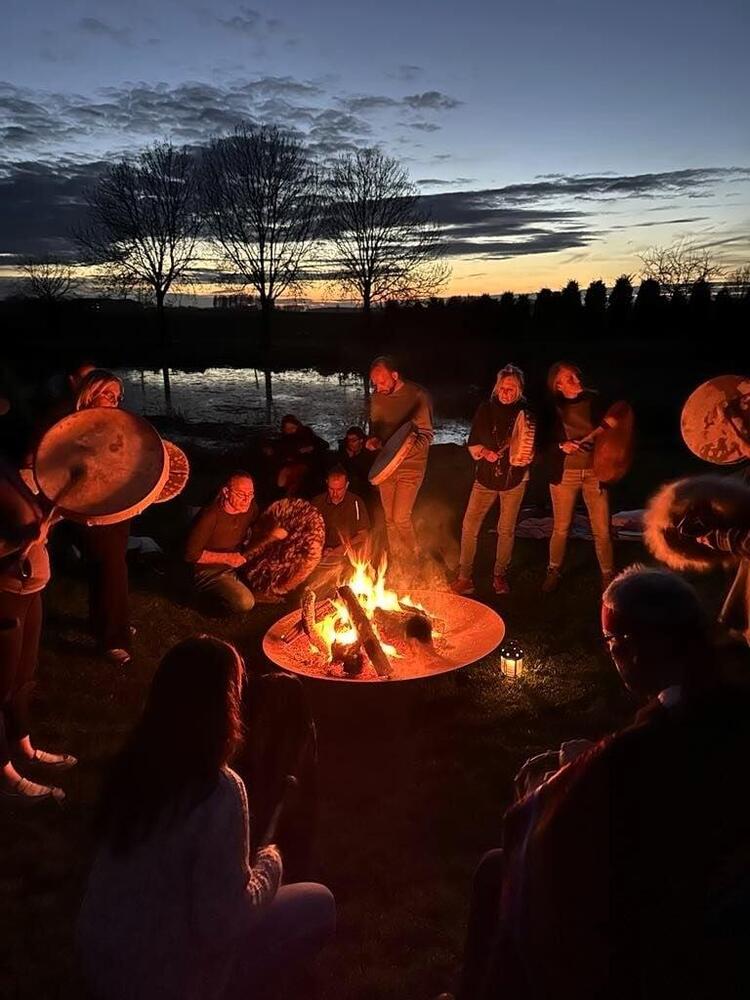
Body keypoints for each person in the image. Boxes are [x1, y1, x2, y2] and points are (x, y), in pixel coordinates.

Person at [441, 567, 750, 1000]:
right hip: (721, 887)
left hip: (660, 912)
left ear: (631, 649)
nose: (612, 654)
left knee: (500, 868)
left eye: (611, 644)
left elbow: (552, 824)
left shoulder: (639, 751)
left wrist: (554, 783)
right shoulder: (728, 697)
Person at [77, 635, 335, 1000]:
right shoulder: (218, 790)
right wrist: (270, 864)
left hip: (101, 968)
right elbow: (224, 923)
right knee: (318, 904)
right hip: (166, 984)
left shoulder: (132, 767)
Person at [0, 452, 76, 803]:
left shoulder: (5, 467)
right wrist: (22, 539)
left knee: (22, 677)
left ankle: (24, 747)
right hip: (5, 593)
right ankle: (5, 774)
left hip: (32, 589)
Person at [451, 364, 535, 596]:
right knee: (470, 525)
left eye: (511, 389)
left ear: (519, 390)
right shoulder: (485, 409)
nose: (506, 393)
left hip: (515, 478)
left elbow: (531, 444)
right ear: (497, 387)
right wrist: (484, 452)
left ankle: (499, 575)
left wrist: (526, 455)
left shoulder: (525, 414)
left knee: (505, 529)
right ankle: (465, 577)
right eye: (503, 388)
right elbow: (473, 440)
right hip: (486, 478)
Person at [541, 361, 619, 593]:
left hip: (595, 473)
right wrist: (561, 446)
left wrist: (612, 427)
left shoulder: (595, 401)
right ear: (558, 385)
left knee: (602, 528)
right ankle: (553, 570)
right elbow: (542, 443)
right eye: (570, 379)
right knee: (561, 527)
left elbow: (617, 420)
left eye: (576, 375)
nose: (577, 380)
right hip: (565, 475)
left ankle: (608, 574)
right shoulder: (551, 409)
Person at [74, 370, 134, 666]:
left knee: (109, 565)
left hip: (117, 506)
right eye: (107, 393)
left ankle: (105, 622)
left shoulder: (114, 424)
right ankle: (114, 638)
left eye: (117, 396)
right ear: (90, 394)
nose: (114, 400)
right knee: (110, 567)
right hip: (90, 507)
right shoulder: (71, 427)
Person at [184, 472, 287, 614]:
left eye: (250, 494)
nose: (246, 500)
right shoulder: (210, 517)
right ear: (226, 492)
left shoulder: (250, 508)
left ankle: (249, 586)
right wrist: (227, 558)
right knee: (245, 602)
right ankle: (210, 599)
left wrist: (271, 532)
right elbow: (191, 555)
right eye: (240, 494)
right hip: (209, 569)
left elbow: (256, 524)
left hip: (236, 560)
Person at [367, 355, 433, 568]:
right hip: (386, 466)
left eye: (382, 382)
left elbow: (426, 435)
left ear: (395, 375)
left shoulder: (418, 396)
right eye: (375, 383)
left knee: (400, 518)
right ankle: (398, 562)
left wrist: (402, 450)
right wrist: (375, 440)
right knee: (389, 519)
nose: (378, 388)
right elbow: (377, 429)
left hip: (411, 466)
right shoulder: (377, 398)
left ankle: (414, 560)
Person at [309, 466, 370, 593]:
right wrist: (321, 549)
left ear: (347, 485)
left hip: (348, 554)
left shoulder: (356, 502)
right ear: (327, 483)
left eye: (339, 489)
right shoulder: (317, 502)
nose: (335, 494)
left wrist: (342, 548)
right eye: (332, 489)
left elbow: (363, 535)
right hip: (322, 555)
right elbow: (309, 534)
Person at [262, 414, 327, 498]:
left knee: (294, 476)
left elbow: (323, 444)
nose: (291, 431)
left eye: (293, 428)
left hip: (306, 464)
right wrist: (269, 449)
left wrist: (311, 448)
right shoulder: (284, 439)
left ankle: (289, 496)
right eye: (288, 429)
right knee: (283, 477)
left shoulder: (307, 434)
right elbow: (278, 447)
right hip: (289, 463)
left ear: (297, 426)